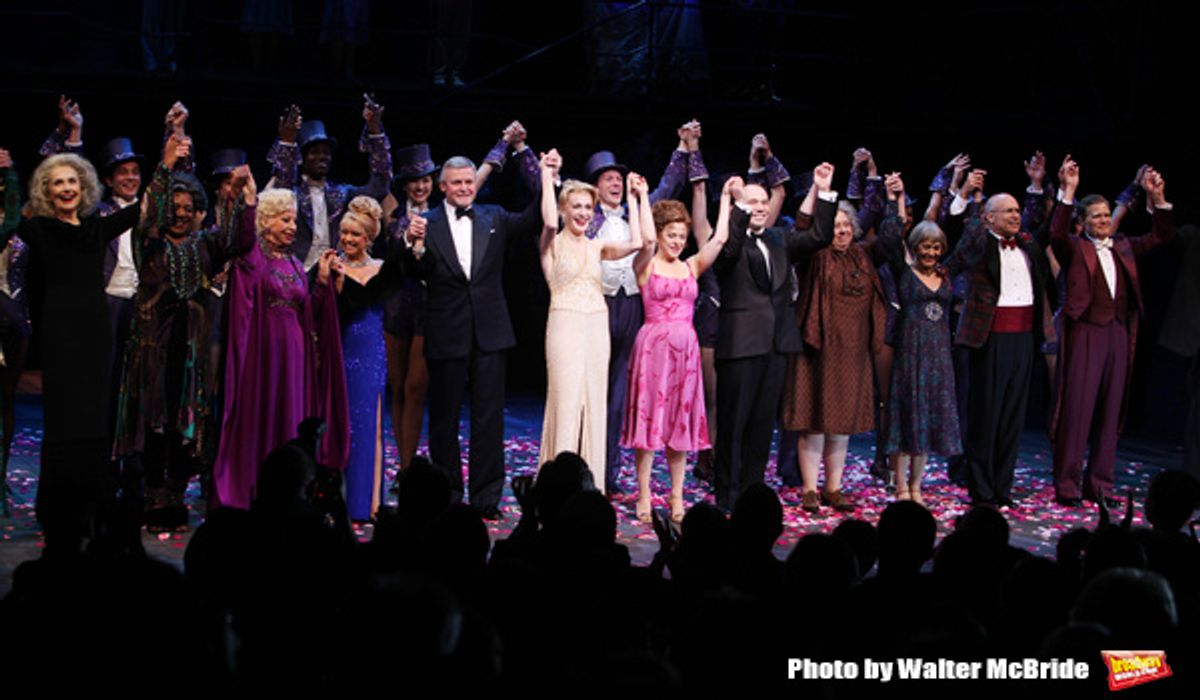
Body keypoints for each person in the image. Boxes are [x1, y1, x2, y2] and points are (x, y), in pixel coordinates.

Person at [113, 130, 257, 531]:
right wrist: (166, 163)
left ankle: (175, 492)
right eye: (173, 206)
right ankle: (149, 492)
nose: (179, 212)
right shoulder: (150, 243)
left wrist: (243, 198)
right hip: (151, 346)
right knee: (151, 421)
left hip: (190, 348)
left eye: (187, 205)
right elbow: (150, 207)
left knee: (185, 424)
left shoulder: (204, 244)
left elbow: (238, 241)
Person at [7, 151, 142, 553]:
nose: (66, 188)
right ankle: (57, 511)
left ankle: (92, 507)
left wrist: (169, 161)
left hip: (96, 335)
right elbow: (14, 216)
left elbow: (141, 209)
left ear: (83, 187)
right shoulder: (41, 230)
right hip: (61, 335)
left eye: (72, 181)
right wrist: (9, 174)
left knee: (94, 422)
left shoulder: (95, 229)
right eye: (57, 182)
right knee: (64, 423)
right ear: (47, 191)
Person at [401, 155, 541, 520]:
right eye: (457, 183)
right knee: (445, 419)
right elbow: (413, 272)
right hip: (446, 330)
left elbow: (534, 215)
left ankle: (485, 497)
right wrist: (411, 245)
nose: (464, 187)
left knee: (489, 418)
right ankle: (446, 496)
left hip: (491, 332)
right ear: (443, 187)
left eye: (469, 181)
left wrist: (534, 165)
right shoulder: (425, 223)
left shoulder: (493, 216)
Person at [585, 121, 706, 494]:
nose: (615, 183)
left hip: (633, 307)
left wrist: (684, 149)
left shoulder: (640, 210)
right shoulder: (585, 216)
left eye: (618, 178)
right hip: (597, 304)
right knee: (592, 391)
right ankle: (585, 470)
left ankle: (609, 476)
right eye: (607, 178)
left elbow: (668, 186)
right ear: (595, 185)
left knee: (622, 395)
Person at [211, 188, 349, 510]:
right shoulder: (252, 260)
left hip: (294, 360)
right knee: (265, 415)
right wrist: (247, 202)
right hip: (263, 358)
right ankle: (257, 488)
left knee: (290, 421)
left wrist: (322, 282)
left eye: (292, 220)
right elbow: (244, 237)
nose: (291, 226)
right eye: (283, 219)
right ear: (265, 222)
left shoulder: (296, 265)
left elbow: (308, 314)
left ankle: (289, 491)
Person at [711, 164, 838, 513]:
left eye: (765, 201)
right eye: (753, 201)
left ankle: (752, 492)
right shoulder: (728, 238)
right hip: (740, 345)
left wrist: (823, 191)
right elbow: (730, 252)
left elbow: (818, 237)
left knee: (762, 425)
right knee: (733, 424)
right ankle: (727, 493)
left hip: (776, 345)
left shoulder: (778, 239)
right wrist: (737, 206)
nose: (761, 206)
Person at [1049, 157, 1175, 507]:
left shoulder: (1123, 246)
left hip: (1118, 334)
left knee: (1110, 412)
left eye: (1107, 215)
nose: (1104, 221)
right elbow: (1056, 233)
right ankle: (1069, 485)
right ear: (1083, 222)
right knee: (1077, 411)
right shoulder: (1075, 247)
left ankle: (1100, 486)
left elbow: (1162, 235)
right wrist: (1068, 191)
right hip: (1086, 333)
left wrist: (1158, 198)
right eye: (1096, 216)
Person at [536, 149, 646, 494]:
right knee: (566, 401)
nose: (583, 212)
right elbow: (550, 222)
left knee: (595, 404)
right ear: (565, 209)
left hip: (597, 325)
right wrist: (546, 174)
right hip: (565, 323)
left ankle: (592, 487)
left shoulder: (598, 246)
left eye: (588, 207)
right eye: (577, 206)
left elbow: (639, 242)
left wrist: (636, 198)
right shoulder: (551, 243)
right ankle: (556, 487)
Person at [623, 181, 730, 524]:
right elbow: (646, 241)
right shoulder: (645, 265)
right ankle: (643, 493)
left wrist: (726, 199)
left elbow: (720, 240)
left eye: (682, 235)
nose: (678, 241)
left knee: (679, 425)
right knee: (650, 423)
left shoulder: (691, 266)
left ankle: (676, 495)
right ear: (659, 232)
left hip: (686, 352)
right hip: (653, 350)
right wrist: (638, 197)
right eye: (672, 234)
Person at [950, 184, 1056, 508]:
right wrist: (966, 198)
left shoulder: (1028, 244)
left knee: (1012, 416)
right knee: (986, 415)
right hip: (991, 338)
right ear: (989, 218)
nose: (1015, 215)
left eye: (1016, 210)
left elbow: (1049, 225)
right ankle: (981, 489)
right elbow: (962, 248)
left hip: (1023, 338)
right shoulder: (981, 243)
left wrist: (1040, 187)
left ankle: (1002, 489)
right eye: (1007, 211)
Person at [877, 174, 979, 504]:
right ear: (915, 246)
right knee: (906, 420)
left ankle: (917, 486)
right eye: (926, 246)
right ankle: (901, 486)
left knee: (925, 424)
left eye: (937, 247)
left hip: (938, 358)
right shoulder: (904, 272)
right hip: (910, 355)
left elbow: (970, 243)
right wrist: (896, 200)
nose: (932, 252)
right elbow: (891, 238)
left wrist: (973, 200)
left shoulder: (947, 273)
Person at [783, 199, 888, 513]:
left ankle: (833, 488)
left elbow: (893, 239)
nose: (841, 231)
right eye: (835, 226)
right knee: (814, 420)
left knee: (841, 422)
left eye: (845, 226)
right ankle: (809, 490)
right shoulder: (814, 256)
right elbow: (802, 225)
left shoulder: (862, 257)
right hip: (817, 347)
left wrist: (893, 200)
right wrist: (819, 192)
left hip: (853, 350)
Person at [329, 195, 406, 522]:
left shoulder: (381, 270)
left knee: (370, 426)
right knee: (340, 425)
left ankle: (369, 503)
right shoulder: (331, 267)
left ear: (369, 238)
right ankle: (337, 501)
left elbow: (370, 298)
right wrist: (331, 283)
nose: (347, 239)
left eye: (355, 234)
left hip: (371, 355)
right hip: (340, 353)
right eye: (344, 233)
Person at [266, 97, 391, 270]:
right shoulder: (290, 193)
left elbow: (380, 187)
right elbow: (279, 191)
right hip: (296, 273)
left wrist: (375, 132)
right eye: (315, 152)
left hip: (334, 272)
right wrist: (287, 143)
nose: (322, 156)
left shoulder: (342, 192)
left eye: (326, 152)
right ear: (301, 158)